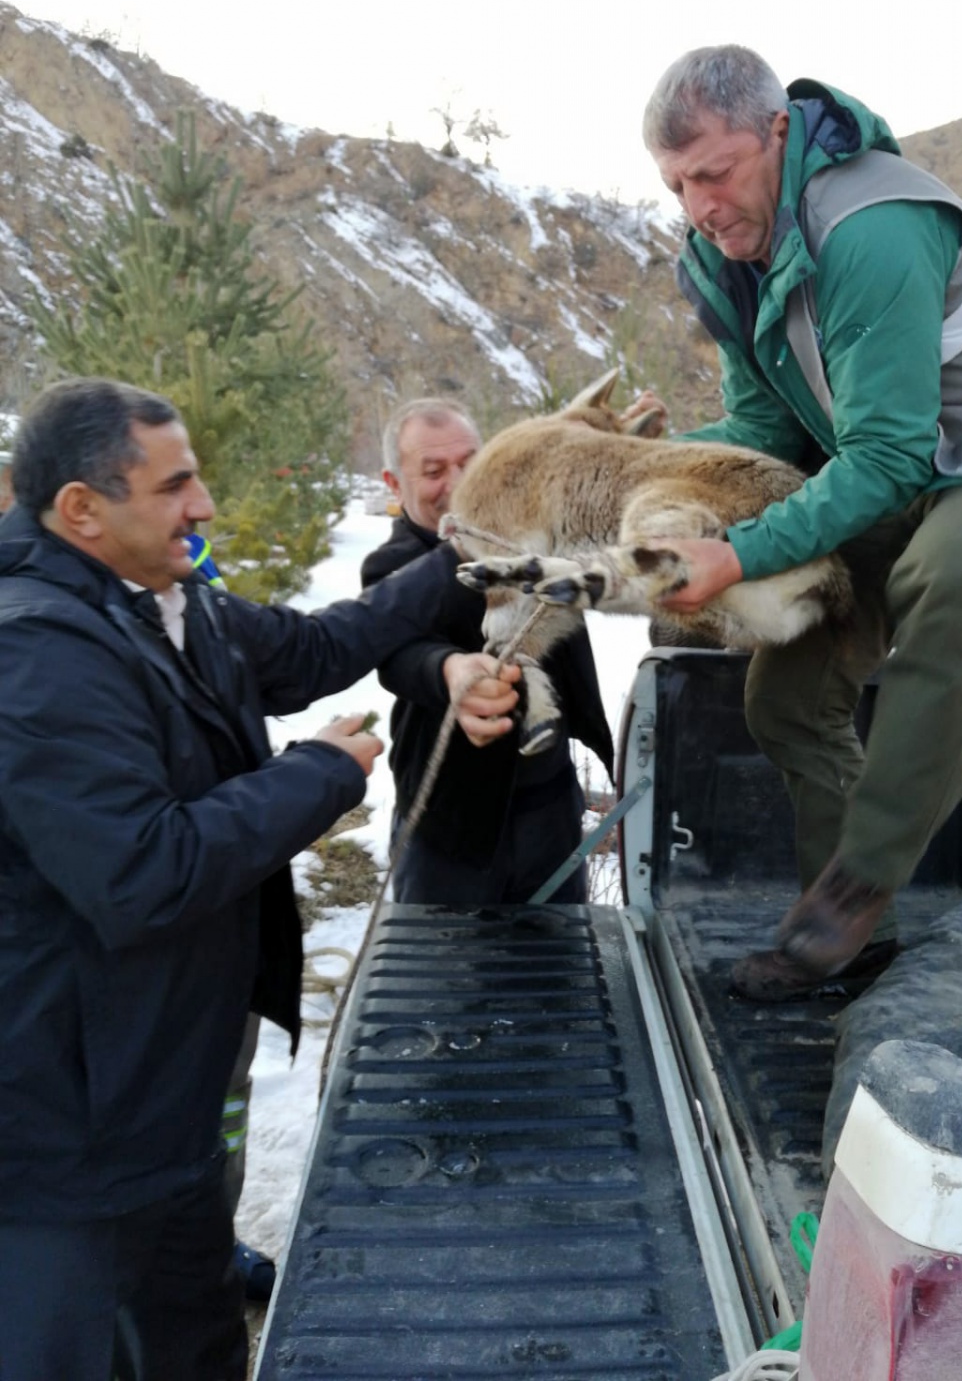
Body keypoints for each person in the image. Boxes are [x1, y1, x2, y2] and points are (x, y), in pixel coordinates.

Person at [0, 376, 492, 1381]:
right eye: (175, 485)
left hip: (163, 1087)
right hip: (73, 1123)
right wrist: (317, 774)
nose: (205, 506)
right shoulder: (37, 653)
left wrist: (458, 554)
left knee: (193, 1331)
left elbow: (321, 645)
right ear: (81, 510)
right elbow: (145, 870)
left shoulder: (173, 605)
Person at [640, 44, 962, 1002]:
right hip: (904, 468)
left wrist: (739, 553)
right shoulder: (732, 257)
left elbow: (885, 456)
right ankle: (845, 941)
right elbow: (767, 431)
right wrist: (637, 467)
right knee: (784, 701)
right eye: (679, 185)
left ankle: (857, 887)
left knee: (951, 578)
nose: (702, 206)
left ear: (777, 132)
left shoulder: (869, 226)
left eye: (716, 173)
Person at [362, 398, 614, 905]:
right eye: (433, 471)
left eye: (470, 463)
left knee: (558, 972)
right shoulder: (390, 568)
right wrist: (448, 671)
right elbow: (400, 657)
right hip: (448, 828)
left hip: (550, 812)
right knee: (442, 976)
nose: (457, 484)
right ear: (394, 484)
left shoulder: (533, 538)